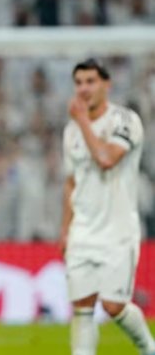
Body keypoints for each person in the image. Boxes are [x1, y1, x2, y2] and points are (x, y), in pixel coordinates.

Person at [60, 59, 155, 355]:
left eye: (91, 81)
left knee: (114, 306)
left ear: (106, 85)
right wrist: (65, 229)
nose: (83, 88)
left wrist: (83, 122)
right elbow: (71, 182)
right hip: (82, 230)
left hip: (118, 231)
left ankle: (149, 348)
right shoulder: (70, 131)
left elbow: (106, 159)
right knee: (82, 307)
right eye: (78, 83)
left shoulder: (125, 121)